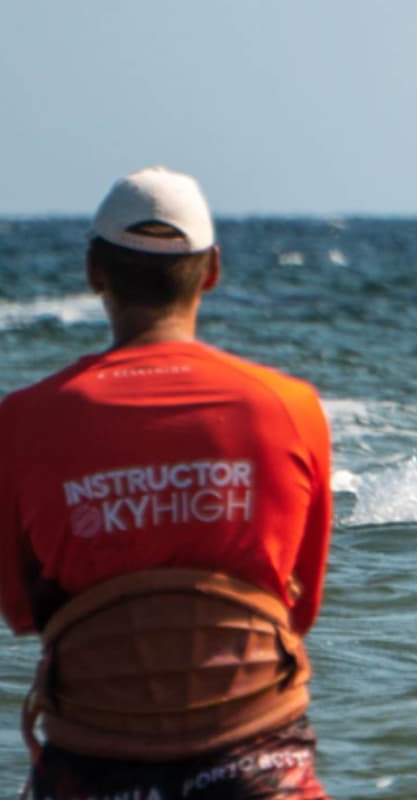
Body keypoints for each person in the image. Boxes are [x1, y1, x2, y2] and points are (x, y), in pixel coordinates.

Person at [0, 167, 333, 798]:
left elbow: (21, 609)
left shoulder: (21, 420)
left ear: (95, 272)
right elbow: (299, 606)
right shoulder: (291, 407)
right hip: (256, 761)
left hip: (93, 766)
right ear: (210, 271)